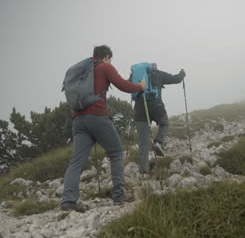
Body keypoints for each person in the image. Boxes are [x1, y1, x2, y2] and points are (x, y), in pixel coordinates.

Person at [61, 45, 146, 212]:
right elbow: (123, 85)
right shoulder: (105, 67)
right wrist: (140, 87)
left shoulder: (83, 70)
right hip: (98, 116)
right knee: (115, 153)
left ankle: (68, 202)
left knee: (76, 162)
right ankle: (118, 196)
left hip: (78, 120)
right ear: (106, 56)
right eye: (110, 58)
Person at [134, 65, 185, 174]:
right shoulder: (159, 73)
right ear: (154, 67)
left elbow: (125, 85)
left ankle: (144, 171)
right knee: (164, 123)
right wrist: (182, 74)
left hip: (140, 109)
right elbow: (176, 79)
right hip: (157, 107)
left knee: (143, 141)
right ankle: (158, 142)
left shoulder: (135, 75)